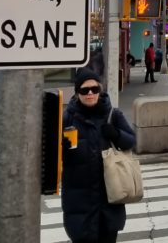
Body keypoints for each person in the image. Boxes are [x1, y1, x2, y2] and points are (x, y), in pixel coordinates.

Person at [61, 67, 136, 243]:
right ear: (77, 92)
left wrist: (117, 134)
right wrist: (61, 147)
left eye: (94, 89)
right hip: (80, 202)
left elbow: (132, 141)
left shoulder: (113, 115)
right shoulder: (67, 118)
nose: (90, 94)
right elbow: (53, 156)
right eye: (84, 90)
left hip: (109, 201)